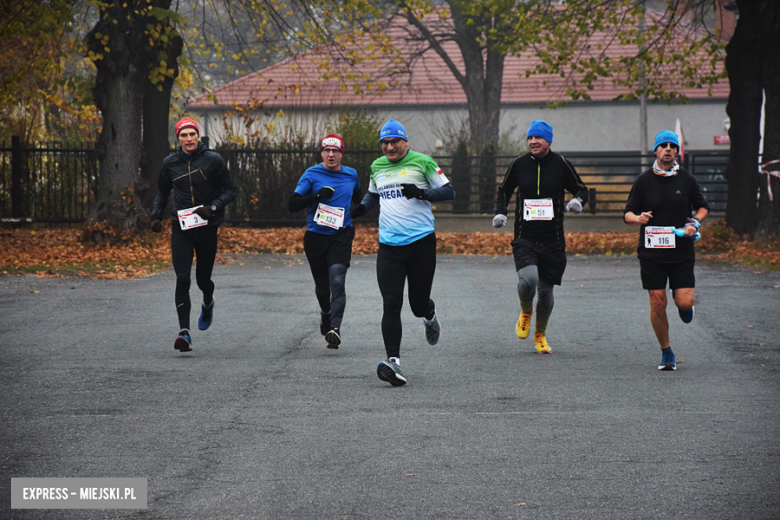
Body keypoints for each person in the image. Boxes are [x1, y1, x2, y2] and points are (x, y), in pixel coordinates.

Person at [352, 120, 455, 386]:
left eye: (394, 142)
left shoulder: (423, 162)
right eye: (384, 143)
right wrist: (362, 209)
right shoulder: (377, 166)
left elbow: (449, 191)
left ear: (405, 142)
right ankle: (393, 363)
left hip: (421, 244)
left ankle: (429, 315)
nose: (389, 147)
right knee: (391, 302)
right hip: (389, 247)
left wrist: (423, 193)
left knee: (417, 305)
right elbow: (373, 195)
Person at [493, 120, 589, 354]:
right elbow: (504, 190)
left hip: (553, 239)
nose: (533, 142)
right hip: (525, 236)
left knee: (546, 292)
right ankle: (526, 311)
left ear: (548, 141)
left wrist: (578, 201)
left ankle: (540, 334)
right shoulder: (519, 164)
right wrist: (500, 212)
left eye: (538, 138)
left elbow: (581, 188)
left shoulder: (560, 164)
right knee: (528, 281)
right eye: (530, 138)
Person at [150, 117, 237, 352]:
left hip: (207, 228)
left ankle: (208, 302)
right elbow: (162, 191)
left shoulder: (213, 160)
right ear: (178, 139)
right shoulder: (170, 163)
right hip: (182, 228)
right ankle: (184, 333)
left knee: (202, 280)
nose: (188, 139)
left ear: (198, 136)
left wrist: (214, 207)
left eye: (192, 135)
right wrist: (156, 215)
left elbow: (231, 190)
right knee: (182, 279)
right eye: (183, 135)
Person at [624, 130, 709, 371]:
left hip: (681, 250)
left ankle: (683, 305)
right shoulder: (643, 181)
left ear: (676, 152)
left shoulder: (686, 179)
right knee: (657, 301)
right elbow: (627, 213)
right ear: (656, 151)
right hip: (651, 252)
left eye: (672, 145)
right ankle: (666, 351)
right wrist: (638, 218)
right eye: (664, 145)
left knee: (684, 302)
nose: (668, 149)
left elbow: (703, 207)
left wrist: (694, 222)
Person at [288, 133, 362, 349]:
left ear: (341, 154)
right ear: (321, 152)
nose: (331, 154)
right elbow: (293, 204)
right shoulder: (311, 174)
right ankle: (326, 314)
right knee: (322, 286)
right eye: (327, 150)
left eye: (336, 151)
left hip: (342, 234)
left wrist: (357, 210)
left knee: (337, 280)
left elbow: (358, 197)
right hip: (316, 236)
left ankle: (335, 329)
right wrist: (317, 196)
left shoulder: (351, 175)